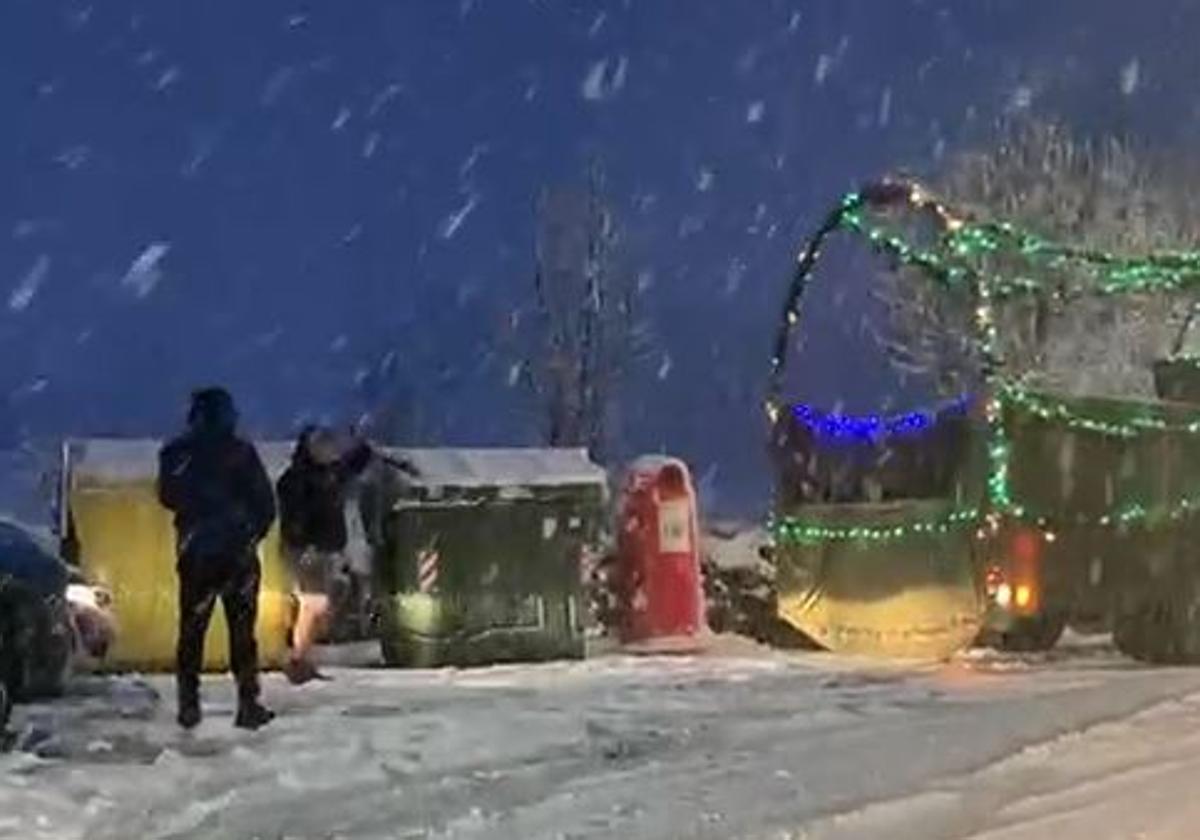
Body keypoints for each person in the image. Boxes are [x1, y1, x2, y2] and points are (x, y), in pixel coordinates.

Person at [157, 388, 276, 730]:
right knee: (242, 632)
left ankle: (189, 704)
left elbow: (168, 496)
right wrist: (249, 534)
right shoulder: (241, 453)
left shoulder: (177, 453)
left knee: (192, 631)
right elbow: (265, 504)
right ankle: (247, 702)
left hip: (196, 554)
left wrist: (199, 514)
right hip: (238, 555)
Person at [276, 425, 375, 684]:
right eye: (321, 445)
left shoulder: (327, 474)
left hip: (324, 548)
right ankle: (298, 660)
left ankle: (302, 657)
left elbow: (352, 465)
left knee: (322, 604)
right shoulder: (297, 479)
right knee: (314, 603)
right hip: (307, 550)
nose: (328, 450)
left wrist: (362, 442)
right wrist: (303, 544)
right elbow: (293, 517)